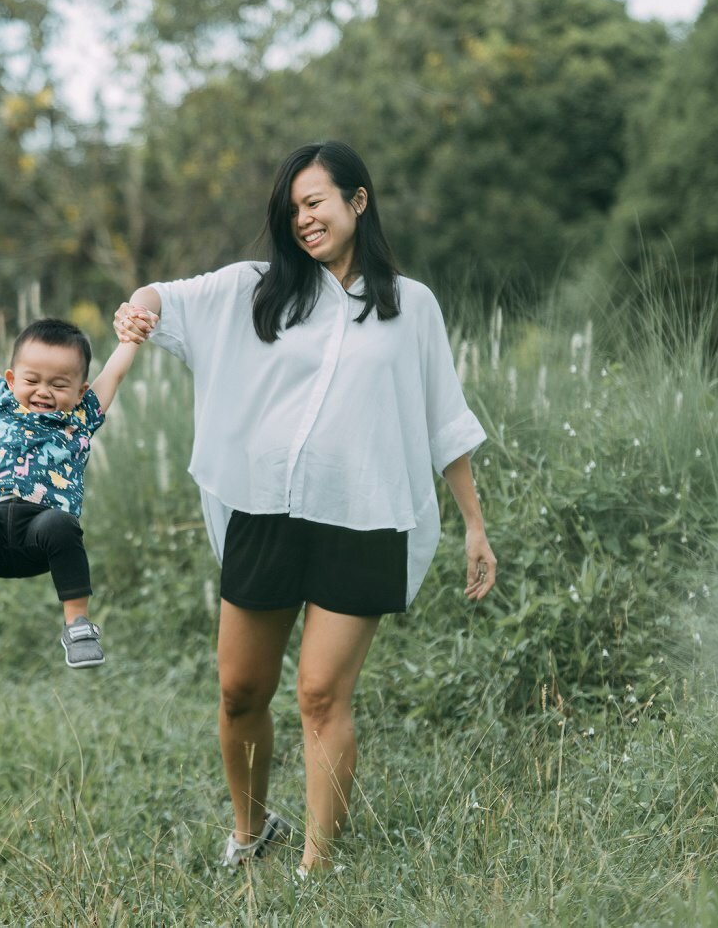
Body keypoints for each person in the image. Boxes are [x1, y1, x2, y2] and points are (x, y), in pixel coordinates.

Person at [113, 140, 497, 876]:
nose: (303, 219)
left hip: (364, 519)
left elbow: (443, 418)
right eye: (292, 209)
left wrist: (474, 525)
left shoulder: (411, 305)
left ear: (358, 200)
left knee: (321, 694)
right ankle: (251, 831)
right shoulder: (253, 289)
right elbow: (166, 297)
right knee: (240, 691)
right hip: (265, 514)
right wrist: (139, 309)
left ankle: (317, 867)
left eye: (315, 201)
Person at [0, 311, 143, 668]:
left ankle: (78, 625)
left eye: (59, 385)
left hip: (38, 539)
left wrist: (130, 340)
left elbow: (114, 374)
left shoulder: (81, 418)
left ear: (81, 392)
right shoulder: (3, 402)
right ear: (11, 380)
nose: (43, 391)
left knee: (61, 524)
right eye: (32, 380)